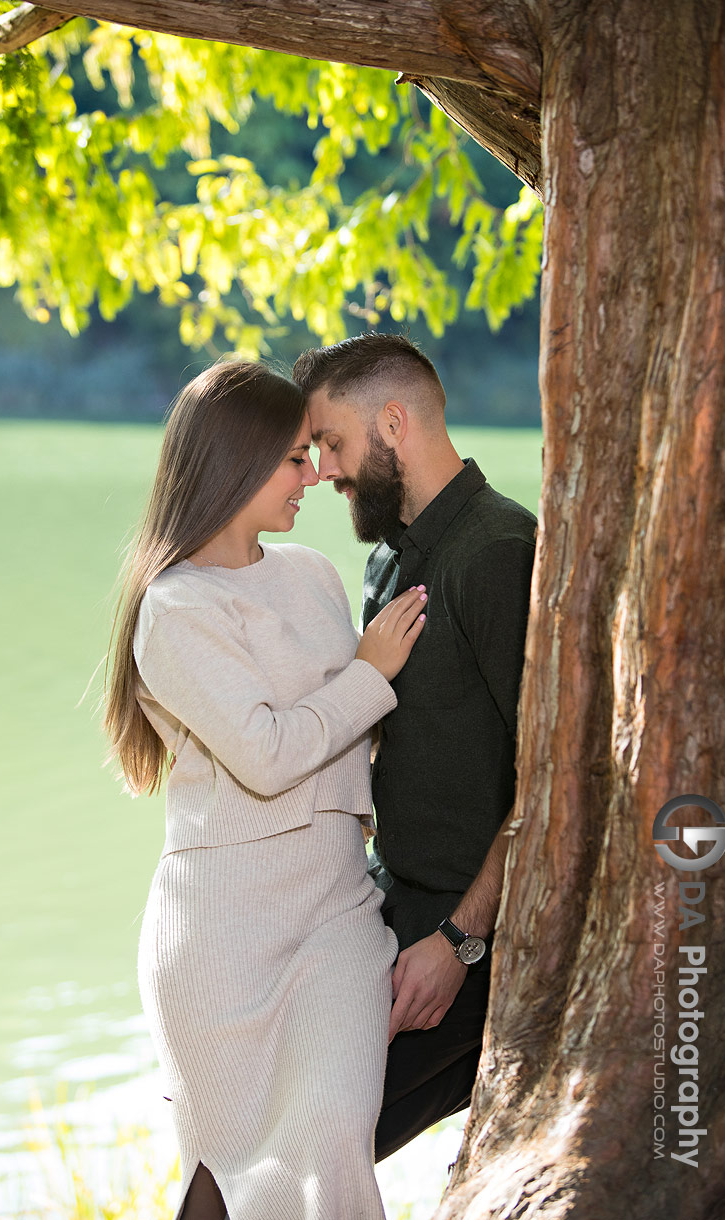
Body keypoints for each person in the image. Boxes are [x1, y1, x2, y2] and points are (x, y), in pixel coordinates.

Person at [102, 360, 429, 1220]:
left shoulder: (313, 574)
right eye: (294, 458)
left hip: (334, 912)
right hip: (219, 935)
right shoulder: (174, 610)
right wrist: (368, 673)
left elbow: (364, 733)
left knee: (330, 1140)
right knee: (225, 1179)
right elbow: (267, 754)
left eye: (315, 454)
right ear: (235, 463)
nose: (316, 475)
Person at [292, 333, 537, 1162]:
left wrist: (463, 944)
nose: (321, 468)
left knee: (304, 1150)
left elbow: (552, 783)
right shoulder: (382, 565)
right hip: (380, 916)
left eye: (332, 442)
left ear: (393, 423)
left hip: (459, 945)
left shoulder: (500, 552)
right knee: (256, 1127)